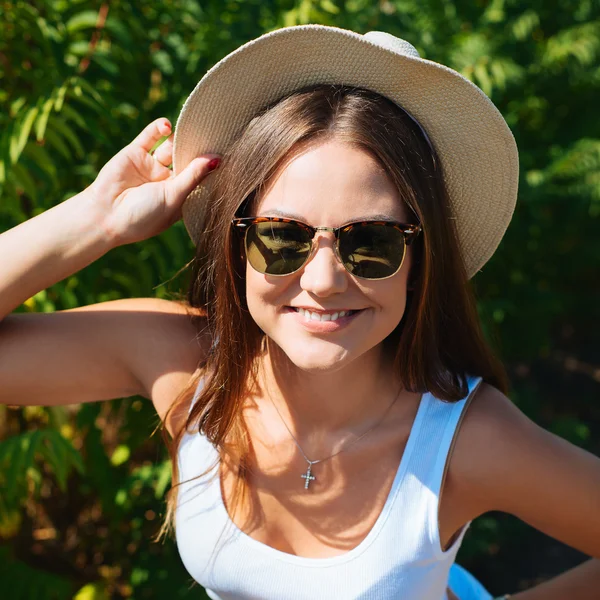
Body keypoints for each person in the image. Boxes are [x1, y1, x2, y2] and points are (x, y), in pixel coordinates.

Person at [1, 24, 598, 600]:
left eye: (373, 243)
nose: (323, 280)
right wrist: (95, 220)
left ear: (422, 260)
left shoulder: (464, 439)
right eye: (282, 238)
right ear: (236, 246)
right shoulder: (186, 366)